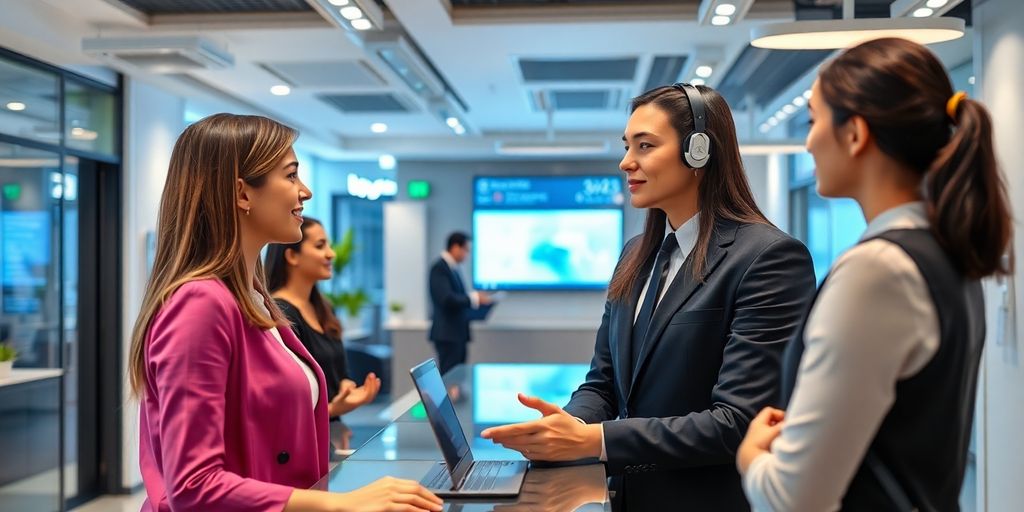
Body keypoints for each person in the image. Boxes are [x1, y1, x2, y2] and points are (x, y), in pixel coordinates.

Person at [481, 83, 816, 511]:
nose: (626, 162)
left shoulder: (769, 258)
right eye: (627, 146)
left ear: (699, 151)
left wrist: (596, 440)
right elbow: (602, 383)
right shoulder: (635, 256)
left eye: (645, 145)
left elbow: (738, 422)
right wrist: (568, 425)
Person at [738, 38, 1012, 512]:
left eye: (813, 121)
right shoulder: (943, 252)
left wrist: (751, 457)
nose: (807, 142)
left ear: (855, 134)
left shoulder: (878, 270)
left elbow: (792, 499)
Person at [129, 113, 442, 512]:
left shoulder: (253, 297)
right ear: (243, 194)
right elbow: (194, 486)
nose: (305, 192)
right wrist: (338, 505)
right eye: (291, 175)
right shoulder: (199, 305)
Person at [264, 216, 381, 421]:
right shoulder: (280, 314)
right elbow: (285, 410)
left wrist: (346, 386)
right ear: (292, 256)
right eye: (320, 246)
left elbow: (339, 374)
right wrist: (334, 409)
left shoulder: (324, 308)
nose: (331, 254)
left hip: (332, 434)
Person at [428, 232, 492, 377]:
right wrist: (474, 298)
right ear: (456, 247)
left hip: (457, 333)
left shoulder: (453, 268)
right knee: (449, 376)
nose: (467, 255)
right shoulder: (439, 268)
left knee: (457, 377)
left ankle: (455, 400)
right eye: (466, 250)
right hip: (447, 334)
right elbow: (447, 299)